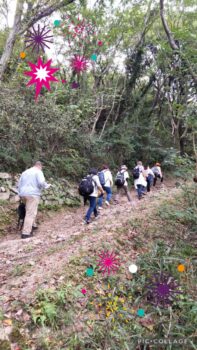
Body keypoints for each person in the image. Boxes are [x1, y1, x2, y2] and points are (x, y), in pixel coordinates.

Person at [18, 161, 51, 239]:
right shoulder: (38, 171)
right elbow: (41, 182)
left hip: (23, 194)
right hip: (33, 194)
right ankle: (26, 233)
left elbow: (19, 184)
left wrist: (20, 193)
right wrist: (47, 186)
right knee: (30, 213)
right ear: (40, 166)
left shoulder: (25, 172)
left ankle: (33, 225)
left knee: (30, 210)